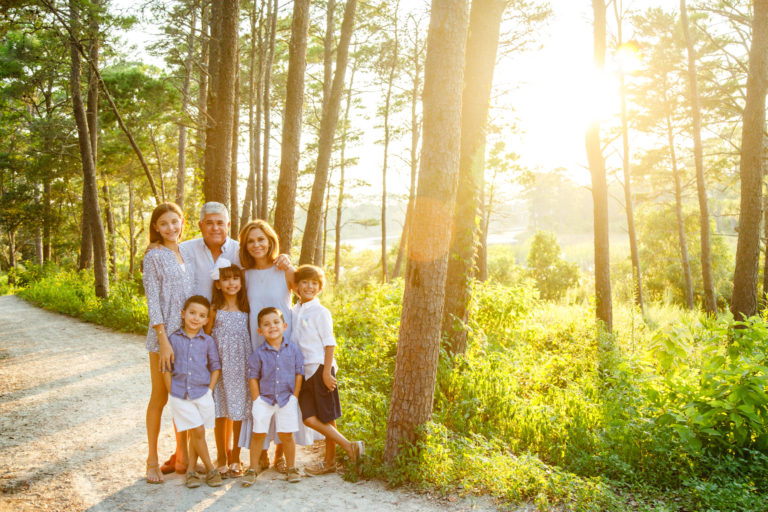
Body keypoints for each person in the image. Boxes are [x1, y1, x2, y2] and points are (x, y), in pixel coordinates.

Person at [292, 264, 364, 475]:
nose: (309, 286)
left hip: (320, 367)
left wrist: (326, 372)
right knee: (308, 417)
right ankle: (349, 446)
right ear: (296, 286)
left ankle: (330, 461)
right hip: (304, 371)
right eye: (305, 282)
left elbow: (329, 343)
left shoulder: (321, 312)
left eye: (314, 283)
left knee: (327, 416)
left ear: (320, 288)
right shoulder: (294, 311)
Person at [238, 219, 298, 471]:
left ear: (270, 240)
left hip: (284, 339)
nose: (256, 245)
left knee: (283, 393)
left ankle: (281, 455)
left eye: (261, 239)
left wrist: (290, 264)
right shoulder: (244, 274)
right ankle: (260, 452)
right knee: (261, 396)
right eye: (250, 241)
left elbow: (305, 291)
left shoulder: (283, 270)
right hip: (257, 341)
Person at [142, 202, 194, 484]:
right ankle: (151, 459)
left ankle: (181, 456)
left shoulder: (186, 251)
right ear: (156, 228)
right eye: (164, 223)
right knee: (161, 397)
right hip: (164, 338)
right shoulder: (153, 257)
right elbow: (153, 301)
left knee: (183, 397)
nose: (171, 228)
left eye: (175, 222)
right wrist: (163, 340)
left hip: (189, 338)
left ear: (182, 222)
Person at [163, 295, 223, 489]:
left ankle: (190, 472)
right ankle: (210, 469)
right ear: (183, 314)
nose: (196, 318)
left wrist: (210, 389)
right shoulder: (173, 339)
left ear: (207, 320)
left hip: (201, 393)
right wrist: (171, 390)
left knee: (198, 432)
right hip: (180, 394)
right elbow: (165, 367)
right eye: (192, 313)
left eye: (201, 315)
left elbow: (215, 366)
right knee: (196, 430)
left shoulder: (207, 341)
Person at [241, 307, 304, 486]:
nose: (272, 327)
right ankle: (253, 468)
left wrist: (295, 396)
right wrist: (256, 400)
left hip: (287, 399)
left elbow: (299, 373)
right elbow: (253, 376)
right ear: (260, 331)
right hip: (264, 400)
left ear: (284, 326)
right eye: (267, 324)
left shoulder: (293, 350)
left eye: (276, 322)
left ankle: (291, 467)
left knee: (286, 434)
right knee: (258, 434)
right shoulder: (258, 353)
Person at [205, 258, 251, 478]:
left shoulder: (246, 308)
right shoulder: (214, 309)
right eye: (226, 279)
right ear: (218, 284)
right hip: (220, 367)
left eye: (235, 278)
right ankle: (221, 457)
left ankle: (236, 458)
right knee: (220, 411)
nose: (232, 283)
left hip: (241, 367)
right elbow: (206, 338)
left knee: (238, 410)